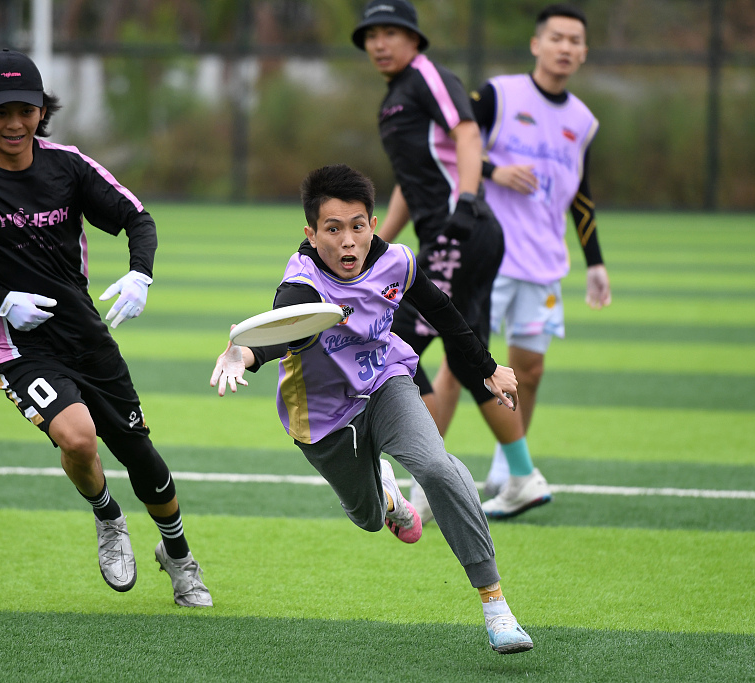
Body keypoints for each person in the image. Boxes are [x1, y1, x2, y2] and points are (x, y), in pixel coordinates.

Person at [0, 49, 211, 607]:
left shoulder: (68, 165)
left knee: (141, 455)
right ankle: (108, 518)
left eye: (25, 110)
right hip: (17, 344)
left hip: (86, 336)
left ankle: (178, 556)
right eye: (0, 112)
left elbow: (135, 217)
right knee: (76, 435)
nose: (14, 123)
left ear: (41, 111)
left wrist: (139, 275)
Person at [210, 164, 534, 654]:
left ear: (373, 225)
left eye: (357, 226)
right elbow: (287, 328)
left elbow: (441, 309)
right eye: (333, 229)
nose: (347, 242)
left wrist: (487, 367)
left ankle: (495, 605)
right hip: (320, 416)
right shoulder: (301, 281)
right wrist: (246, 353)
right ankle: (385, 500)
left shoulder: (397, 262)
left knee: (438, 468)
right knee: (365, 518)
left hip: (385, 382)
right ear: (311, 233)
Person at [353, 0, 552, 521]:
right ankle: (521, 474)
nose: (379, 43)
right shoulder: (395, 97)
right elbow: (410, 183)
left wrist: (464, 202)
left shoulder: (427, 77)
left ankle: (429, 474)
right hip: (450, 236)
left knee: (398, 341)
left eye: (390, 32)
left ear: (414, 39)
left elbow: (466, 133)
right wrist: (373, 243)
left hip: (462, 231)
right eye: (371, 35)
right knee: (467, 361)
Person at [435, 4, 613, 515]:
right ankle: (426, 473)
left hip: (544, 264)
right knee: (457, 364)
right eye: (556, 37)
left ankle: (508, 476)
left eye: (575, 40)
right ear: (537, 44)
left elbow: (582, 193)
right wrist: (493, 170)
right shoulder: (499, 93)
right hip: (487, 254)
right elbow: (453, 146)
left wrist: (595, 261)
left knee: (528, 371)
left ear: (583, 52)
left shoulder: (582, 120)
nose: (565, 47)